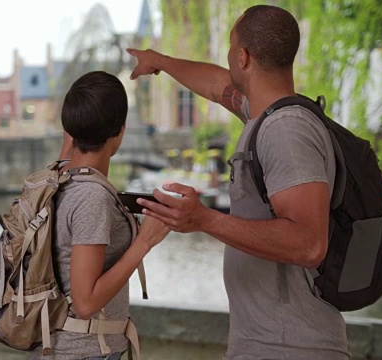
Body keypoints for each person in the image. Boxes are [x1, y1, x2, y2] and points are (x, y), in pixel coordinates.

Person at [128, 5, 349, 359]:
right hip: (268, 344)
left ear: (243, 57)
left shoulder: (286, 130)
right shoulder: (266, 116)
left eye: (231, 49)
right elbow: (217, 86)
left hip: (288, 348)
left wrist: (203, 220)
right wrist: (161, 61)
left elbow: (309, 244)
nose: (228, 59)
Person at [29, 71, 170, 360]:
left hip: (55, 348)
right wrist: (145, 240)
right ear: (121, 130)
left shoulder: (54, 179)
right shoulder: (92, 197)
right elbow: (85, 301)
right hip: (86, 352)